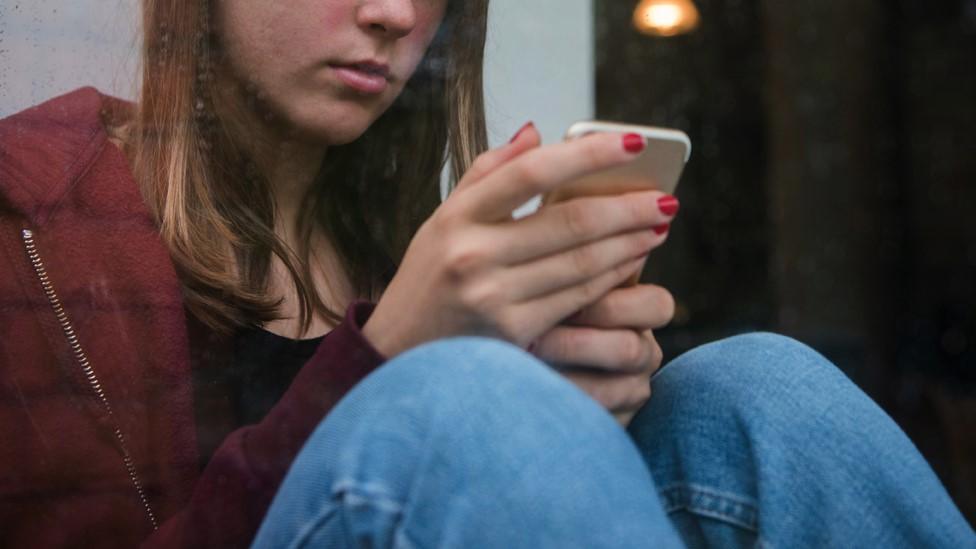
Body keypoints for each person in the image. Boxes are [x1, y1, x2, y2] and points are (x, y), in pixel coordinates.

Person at [0, 0, 972, 547]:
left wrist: (581, 408)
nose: (391, 13)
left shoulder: (408, 240)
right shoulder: (34, 220)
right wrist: (393, 366)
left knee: (756, 389)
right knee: (465, 405)